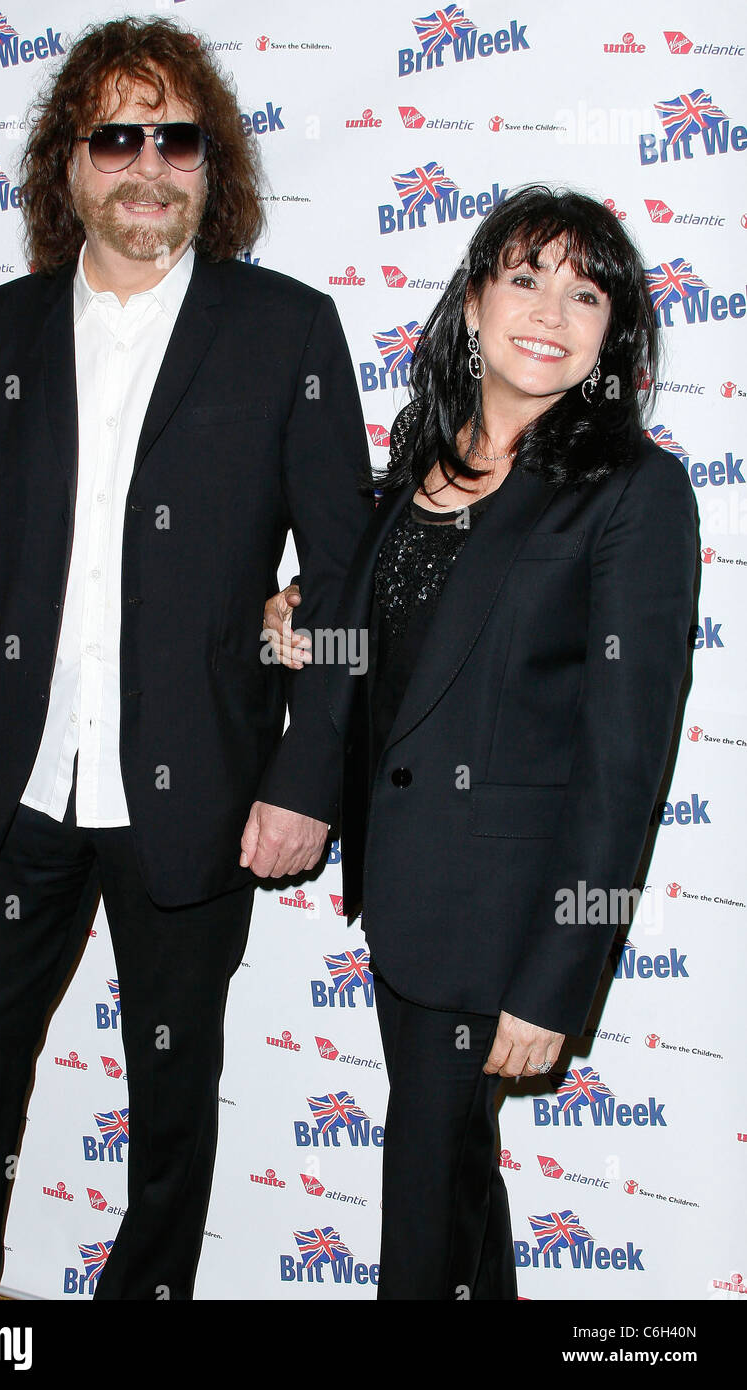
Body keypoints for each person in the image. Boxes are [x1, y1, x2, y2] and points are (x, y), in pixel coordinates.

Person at [0, 16, 371, 1300]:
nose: (148, 163)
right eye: (116, 135)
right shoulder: (0, 331)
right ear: (69, 163)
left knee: (168, 1105)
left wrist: (308, 770)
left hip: (200, 792)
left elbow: (348, 582)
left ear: (210, 166)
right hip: (16, 789)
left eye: (177, 137)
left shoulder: (286, 333)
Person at [263, 185, 698, 1300]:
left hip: (505, 926)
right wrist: (301, 624)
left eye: (583, 290)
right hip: (407, 903)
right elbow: (397, 649)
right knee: (455, 1182)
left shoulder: (632, 492)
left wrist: (558, 978)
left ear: (613, 334)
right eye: (523, 276)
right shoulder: (422, 463)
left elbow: (624, 765)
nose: (549, 307)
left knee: (419, 1199)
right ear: (470, 303)